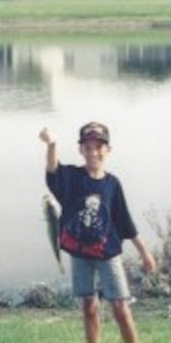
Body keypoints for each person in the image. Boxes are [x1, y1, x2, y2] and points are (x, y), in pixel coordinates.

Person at [39, 122, 156, 343]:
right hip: (80, 253)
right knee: (89, 307)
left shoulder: (112, 184)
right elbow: (53, 170)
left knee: (121, 307)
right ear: (80, 149)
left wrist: (145, 253)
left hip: (108, 254)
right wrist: (52, 144)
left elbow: (125, 222)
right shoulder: (72, 177)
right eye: (88, 147)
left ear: (108, 150)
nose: (93, 152)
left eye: (99, 147)